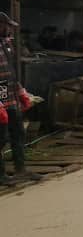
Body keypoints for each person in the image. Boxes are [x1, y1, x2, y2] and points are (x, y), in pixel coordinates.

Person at [0, 14, 41, 185]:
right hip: (1, 101)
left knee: (18, 133)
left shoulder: (7, 43)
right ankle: (1, 176)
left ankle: (20, 169)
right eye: (7, 26)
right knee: (1, 139)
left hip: (11, 97)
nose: (9, 29)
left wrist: (21, 90)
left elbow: (11, 71)